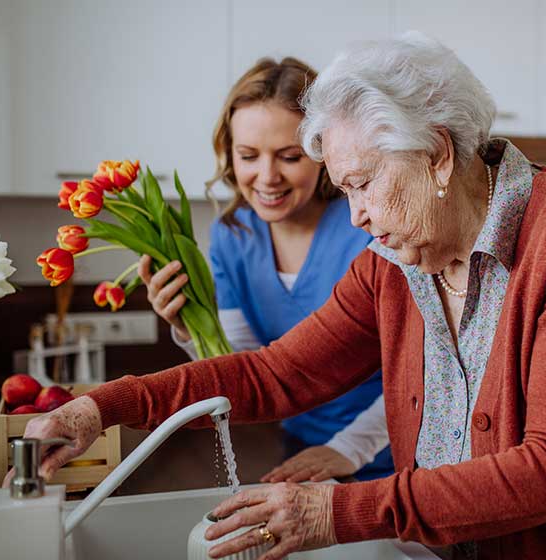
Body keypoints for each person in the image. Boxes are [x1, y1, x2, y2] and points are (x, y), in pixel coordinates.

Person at [21, 33, 546, 559]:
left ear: (437, 156)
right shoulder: (392, 262)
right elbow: (274, 373)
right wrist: (100, 408)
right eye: (346, 188)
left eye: (364, 183)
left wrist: (338, 512)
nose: (357, 214)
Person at [136, 57, 393, 482]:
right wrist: (190, 327)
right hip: (304, 456)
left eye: (290, 156)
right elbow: (246, 369)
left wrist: (347, 450)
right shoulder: (232, 238)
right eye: (249, 155)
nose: (267, 177)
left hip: (394, 452)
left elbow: (420, 370)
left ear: (323, 152)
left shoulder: (369, 227)